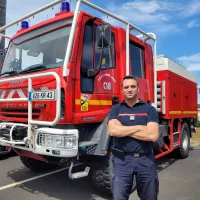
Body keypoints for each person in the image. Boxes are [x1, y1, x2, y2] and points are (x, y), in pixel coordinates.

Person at [108, 75, 159, 200]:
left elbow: (152, 135)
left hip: (145, 160)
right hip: (122, 161)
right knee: (119, 197)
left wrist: (123, 129)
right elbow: (113, 131)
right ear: (122, 90)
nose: (129, 89)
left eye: (132, 86)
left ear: (137, 88)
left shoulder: (149, 109)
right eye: (126, 87)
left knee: (150, 197)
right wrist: (141, 127)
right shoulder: (116, 109)